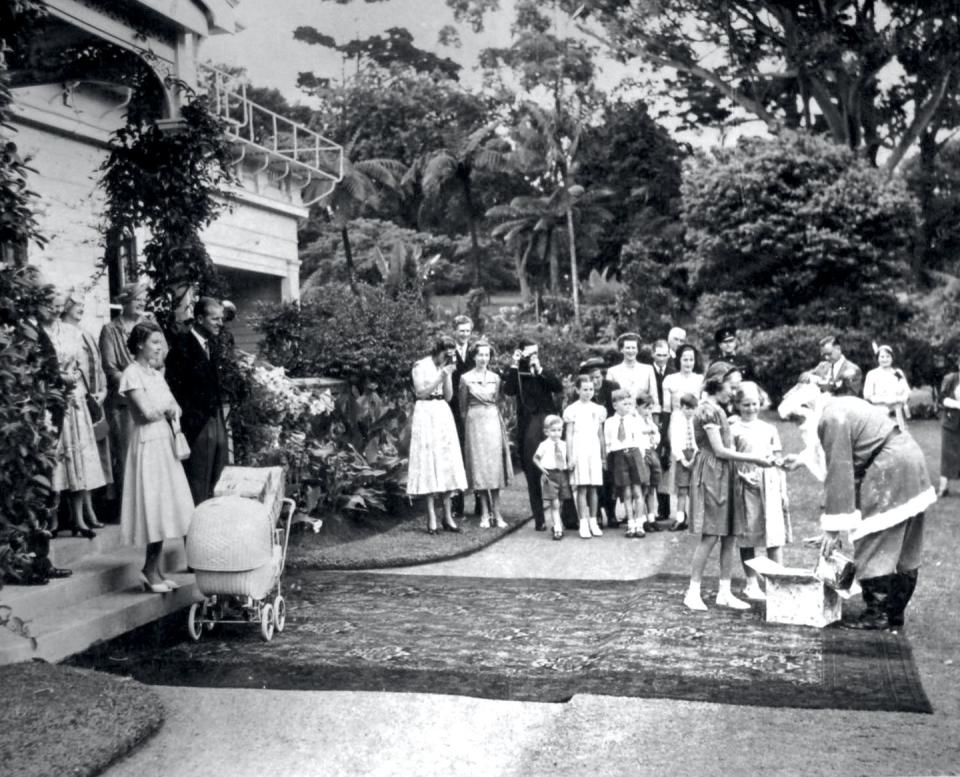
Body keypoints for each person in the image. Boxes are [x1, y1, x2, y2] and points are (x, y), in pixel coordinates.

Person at [779, 382, 936, 631]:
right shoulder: (838, 406)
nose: (797, 425)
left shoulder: (830, 418)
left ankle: (877, 614)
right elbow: (851, 450)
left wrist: (832, 530)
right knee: (907, 544)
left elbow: (839, 472)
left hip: (889, 467)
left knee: (873, 539)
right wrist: (801, 460)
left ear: (808, 407)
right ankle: (893, 612)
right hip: (908, 460)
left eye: (797, 417)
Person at [683, 362, 774, 612]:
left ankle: (725, 591)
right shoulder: (706, 412)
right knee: (711, 534)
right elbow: (720, 450)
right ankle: (693, 591)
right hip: (712, 473)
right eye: (730, 387)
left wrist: (741, 476)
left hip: (726, 472)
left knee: (730, 535)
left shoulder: (718, 410)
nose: (733, 393)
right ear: (716, 383)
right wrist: (754, 460)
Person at [119, 321, 194, 592]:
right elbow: (146, 412)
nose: (159, 347)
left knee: (164, 507)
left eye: (160, 342)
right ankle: (149, 571)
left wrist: (173, 409)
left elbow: (175, 405)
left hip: (165, 441)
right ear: (140, 344)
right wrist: (166, 408)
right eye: (154, 342)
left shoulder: (154, 374)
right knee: (153, 505)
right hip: (147, 443)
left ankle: (155, 569)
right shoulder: (132, 374)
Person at [42, 289, 107, 538]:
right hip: (52, 399)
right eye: (53, 305)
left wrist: (74, 382)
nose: (56, 310)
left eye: (59, 306)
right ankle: (54, 519)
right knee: (56, 456)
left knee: (79, 457)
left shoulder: (71, 332)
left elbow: (81, 366)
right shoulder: (39, 333)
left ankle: (80, 518)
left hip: (73, 397)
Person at [164, 297, 229, 504]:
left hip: (215, 420)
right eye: (215, 319)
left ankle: (213, 530)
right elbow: (173, 388)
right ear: (200, 318)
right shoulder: (182, 346)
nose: (220, 323)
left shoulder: (213, 344)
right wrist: (191, 423)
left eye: (221, 318)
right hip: (196, 425)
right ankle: (194, 533)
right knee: (197, 484)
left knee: (218, 480)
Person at [732, 382, 791, 601]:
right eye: (746, 404)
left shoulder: (769, 429)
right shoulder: (734, 429)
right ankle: (751, 583)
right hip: (746, 486)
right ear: (738, 404)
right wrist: (741, 475)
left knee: (773, 536)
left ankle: (777, 583)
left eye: (754, 404)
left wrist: (783, 490)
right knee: (748, 535)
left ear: (761, 403)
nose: (750, 408)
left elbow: (778, 461)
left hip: (769, 484)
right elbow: (730, 459)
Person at [407, 336, 467, 534]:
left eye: (449, 355)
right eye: (444, 354)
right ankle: (431, 516)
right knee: (428, 462)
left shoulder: (446, 367)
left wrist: (447, 375)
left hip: (442, 411)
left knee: (446, 461)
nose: (446, 358)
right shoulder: (420, 365)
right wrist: (440, 376)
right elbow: (421, 392)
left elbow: (449, 396)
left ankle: (447, 516)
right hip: (425, 412)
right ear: (437, 351)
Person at [504, 339, 563, 531]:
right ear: (521, 353)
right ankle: (539, 518)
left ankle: (561, 517)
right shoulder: (517, 373)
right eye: (530, 353)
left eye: (536, 352)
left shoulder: (541, 371)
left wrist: (540, 369)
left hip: (548, 424)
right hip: (529, 425)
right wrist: (515, 364)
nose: (534, 356)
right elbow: (509, 390)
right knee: (532, 472)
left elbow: (557, 386)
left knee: (556, 469)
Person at [99, 281, 152, 491]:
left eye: (143, 300)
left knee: (150, 454)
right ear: (125, 302)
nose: (141, 304)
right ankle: (128, 508)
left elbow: (161, 358)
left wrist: (153, 383)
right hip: (125, 403)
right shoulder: (110, 330)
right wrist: (136, 386)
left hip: (150, 399)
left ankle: (149, 505)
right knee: (127, 454)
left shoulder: (149, 325)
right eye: (137, 300)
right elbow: (110, 368)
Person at [62, 289, 113, 503]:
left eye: (83, 304)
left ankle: (98, 502)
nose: (81, 308)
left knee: (98, 451)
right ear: (66, 307)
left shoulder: (87, 332)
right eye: (76, 304)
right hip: (76, 399)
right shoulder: (62, 333)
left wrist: (103, 390)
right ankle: (79, 508)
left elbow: (99, 366)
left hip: (94, 399)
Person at [459, 340, 512, 528]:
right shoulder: (465, 378)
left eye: (486, 355)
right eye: (480, 355)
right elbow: (463, 407)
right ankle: (484, 513)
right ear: (473, 356)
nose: (483, 358)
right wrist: (472, 421)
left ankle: (497, 513)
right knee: (480, 466)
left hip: (492, 420)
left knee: (494, 466)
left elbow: (496, 400)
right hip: (474, 422)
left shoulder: (495, 378)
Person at [563, 375, 607, 539]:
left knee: (593, 487)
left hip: (593, 449)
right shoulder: (572, 410)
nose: (588, 392)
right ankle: (583, 522)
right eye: (585, 389)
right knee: (582, 488)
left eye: (591, 389)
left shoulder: (598, 409)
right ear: (577, 390)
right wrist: (570, 457)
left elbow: (601, 435)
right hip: (579, 450)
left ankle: (593, 522)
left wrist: (603, 456)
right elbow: (568, 435)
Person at [662, 344, 703, 518]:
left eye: (691, 359)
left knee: (697, 471)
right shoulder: (670, 380)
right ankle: (680, 514)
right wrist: (666, 435)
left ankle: (696, 515)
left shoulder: (700, 379)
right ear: (678, 360)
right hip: (677, 421)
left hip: (695, 421)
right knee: (679, 471)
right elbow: (666, 408)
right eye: (685, 359)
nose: (688, 362)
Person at [582, 356, 620, 526]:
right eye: (592, 378)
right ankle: (596, 513)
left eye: (598, 377)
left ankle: (611, 513)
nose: (596, 381)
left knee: (610, 478)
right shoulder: (585, 391)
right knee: (594, 478)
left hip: (610, 437)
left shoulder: (612, 388)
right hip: (590, 439)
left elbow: (618, 411)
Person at [604, 389, 647, 538]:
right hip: (619, 457)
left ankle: (639, 523)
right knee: (626, 492)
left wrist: (640, 456)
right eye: (624, 403)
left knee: (637, 491)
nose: (628, 406)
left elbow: (641, 440)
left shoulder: (635, 420)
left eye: (630, 403)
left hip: (634, 455)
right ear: (615, 405)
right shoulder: (609, 422)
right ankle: (630, 524)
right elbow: (608, 443)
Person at [449, 315, 475, 519]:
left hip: (472, 409)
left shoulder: (476, 353)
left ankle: (480, 504)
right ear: (454, 331)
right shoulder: (449, 353)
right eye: (461, 330)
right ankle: (457, 505)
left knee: (474, 455)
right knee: (456, 455)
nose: (464, 334)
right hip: (452, 409)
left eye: (467, 331)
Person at [533, 415, 572, 540]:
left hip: (562, 474)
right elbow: (535, 458)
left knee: (560, 502)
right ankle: (558, 529)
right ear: (546, 431)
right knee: (554, 503)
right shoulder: (544, 445)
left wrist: (570, 465)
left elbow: (568, 459)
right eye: (553, 430)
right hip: (550, 475)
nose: (556, 433)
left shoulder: (565, 444)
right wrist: (542, 469)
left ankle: (557, 524)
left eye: (559, 430)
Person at [650, 340, 676, 521]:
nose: (661, 358)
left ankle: (665, 509)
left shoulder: (673, 373)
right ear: (653, 354)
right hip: (651, 418)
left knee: (666, 462)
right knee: (653, 463)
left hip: (669, 420)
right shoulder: (647, 371)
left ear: (669, 354)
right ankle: (651, 510)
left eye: (664, 355)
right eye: (658, 355)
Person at [669, 393, 699, 532]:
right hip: (682, 455)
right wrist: (682, 459)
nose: (689, 411)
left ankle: (696, 519)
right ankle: (680, 519)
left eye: (692, 408)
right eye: (686, 408)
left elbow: (700, 441)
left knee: (696, 490)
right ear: (681, 408)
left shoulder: (697, 421)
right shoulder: (677, 422)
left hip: (696, 455)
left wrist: (695, 457)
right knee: (682, 489)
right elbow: (675, 442)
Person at [606, 333, 659, 411]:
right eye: (627, 348)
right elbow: (610, 400)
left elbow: (654, 397)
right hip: (622, 415)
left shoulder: (648, 369)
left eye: (633, 348)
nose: (631, 351)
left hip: (643, 415)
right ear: (621, 349)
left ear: (637, 350)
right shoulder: (612, 372)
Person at [863, 344, 910, 431]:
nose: (885, 359)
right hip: (880, 412)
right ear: (877, 359)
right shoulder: (872, 374)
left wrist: (900, 399)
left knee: (900, 438)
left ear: (892, 358)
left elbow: (906, 391)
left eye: (888, 356)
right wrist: (886, 399)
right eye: (882, 357)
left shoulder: (897, 373)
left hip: (898, 413)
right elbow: (867, 396)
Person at [635, 391, 663, 534]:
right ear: (638, 407)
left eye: (650, 408)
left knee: (652, 487)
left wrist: (654, 432)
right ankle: (642, 519)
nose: (648, 411)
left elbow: (657, 436)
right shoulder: (634, 420)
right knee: (644, 487)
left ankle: (652, 518)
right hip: (642, 454)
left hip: (652, 453)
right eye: (645, 408)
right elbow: (638, 434)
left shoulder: (650, 420)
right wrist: (649, 431)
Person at [938, 355, 960, 497]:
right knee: (948, 454)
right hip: (951, 422)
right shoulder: (951, 378)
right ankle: (942, 488)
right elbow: (942, 399)